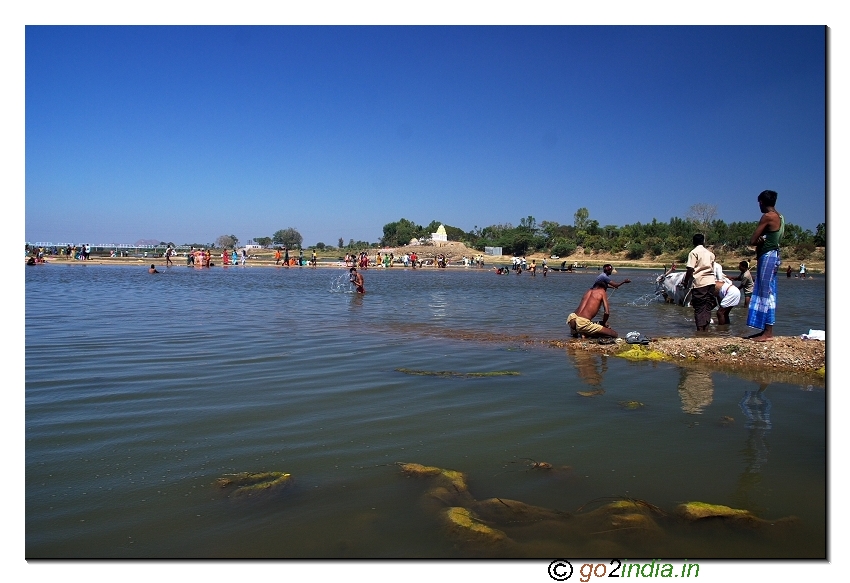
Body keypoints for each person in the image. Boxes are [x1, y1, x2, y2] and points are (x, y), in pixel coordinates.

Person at [745, 190, 784, 341]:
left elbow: (753, 239)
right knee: (769, 291)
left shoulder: (768, 216)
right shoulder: (780, 217)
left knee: (764, 292)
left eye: (759, 203)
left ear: (762, 202)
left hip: (767, 256)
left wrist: (760, 239)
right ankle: (766, 330)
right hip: (773, 255)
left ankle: (767, 332)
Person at [680, 234, 716, 331]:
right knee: (707, 306)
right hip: (711, 282)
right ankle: (706, 329)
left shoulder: (693, 252)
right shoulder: (710, 254)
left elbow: (690, 269)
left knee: (699, 307)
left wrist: (685, 281)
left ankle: (700, 331)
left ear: (693, 242)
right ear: (703, 242)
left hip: (700, 283)